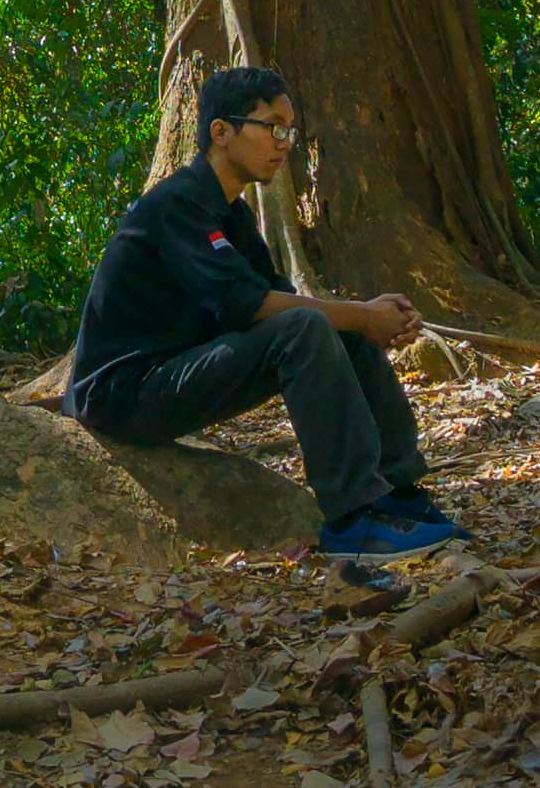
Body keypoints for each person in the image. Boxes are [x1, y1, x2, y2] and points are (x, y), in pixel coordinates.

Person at [64, 65, 466, 561]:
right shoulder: (177, 206)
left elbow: (274, 294)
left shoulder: (231, 213)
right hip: (121, 394)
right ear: (222, 132)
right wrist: (362, 314)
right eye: (273, 127)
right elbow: (247, 306)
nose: (284, 143)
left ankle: (398, 496)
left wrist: (362, 321)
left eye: (289, 131)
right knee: (312, 326)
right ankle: (352, 519)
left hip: (174, 372)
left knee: (335, 327)